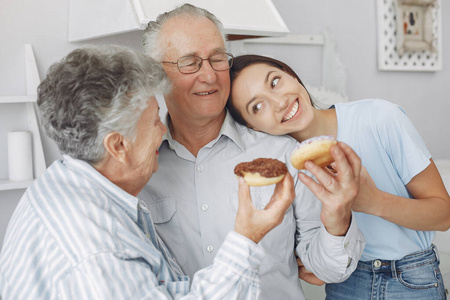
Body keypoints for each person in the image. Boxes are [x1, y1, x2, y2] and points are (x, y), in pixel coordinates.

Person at [0, 45, 297, 300]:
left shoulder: (66, 180)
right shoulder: (97, 253)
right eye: (155, 120)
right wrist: (246, 238)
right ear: (118, 145)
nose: (163, 130)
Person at [140, 4, 366, 299]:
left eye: (217, 58)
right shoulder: (138, 169)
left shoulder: (283, 154)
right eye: (190, 62)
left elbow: (327, 270)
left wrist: (339, 215)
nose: (209, 75)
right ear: (157, 75)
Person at [227, 54, 450, 299]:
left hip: (411, 279)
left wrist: (374, 202)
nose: (278, 102)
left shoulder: (379, 118)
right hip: (345, 285)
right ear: (252, 126)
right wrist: (318, 263)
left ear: (290, 74)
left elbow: (443, 215)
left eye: (274, 81)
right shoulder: (280, 170)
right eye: (257, 107)